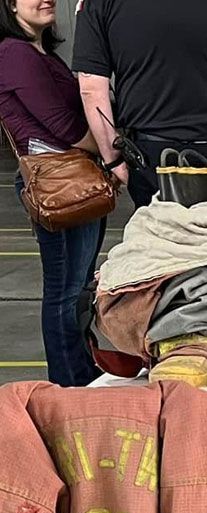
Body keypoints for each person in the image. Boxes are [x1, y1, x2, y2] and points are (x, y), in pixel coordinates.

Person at [73, 0, 207, 220]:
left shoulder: (97, 3)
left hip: (152, 155)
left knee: (163, 248)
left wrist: (113, 160)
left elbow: (91, 87)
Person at [0, 0, 108, 387]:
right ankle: (70, 383)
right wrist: (113, 153)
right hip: (58, 182)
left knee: (77, 289)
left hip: (75, 178)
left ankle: (80, 372)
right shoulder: (13, 53)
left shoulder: (40, 52)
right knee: (65, 291)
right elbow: (62, 125)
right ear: (10, 5)